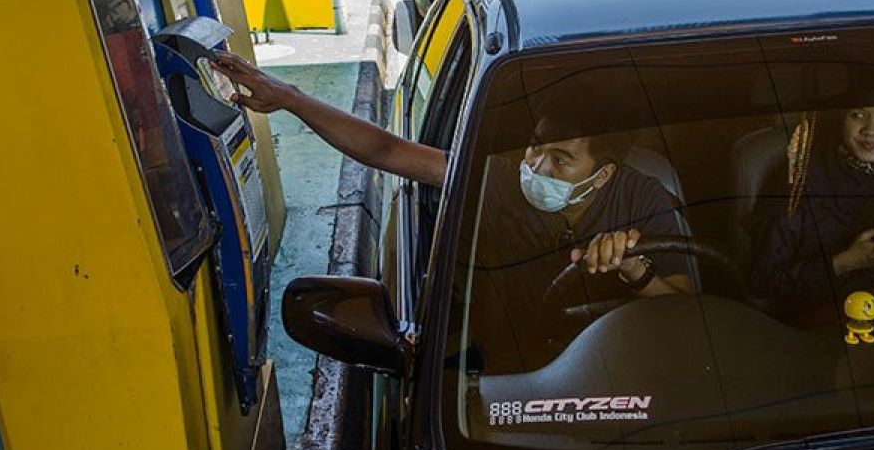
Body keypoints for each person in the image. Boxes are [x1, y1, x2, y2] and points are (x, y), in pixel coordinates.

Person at [211, 52, 694, 302]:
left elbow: (689, 311)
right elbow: (386, 148)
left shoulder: (646, 202)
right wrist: (289, 97)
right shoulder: (497, 181)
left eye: (562, 161)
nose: (536, 169)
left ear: (605, 174)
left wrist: (634, 270)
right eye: (534, 148)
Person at [749, 105, 874, 317]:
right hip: (837, 323)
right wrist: (846, 263)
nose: (872, 129)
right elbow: (764, 281)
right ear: (840, 119)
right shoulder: (799, 182)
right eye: (858, 115)